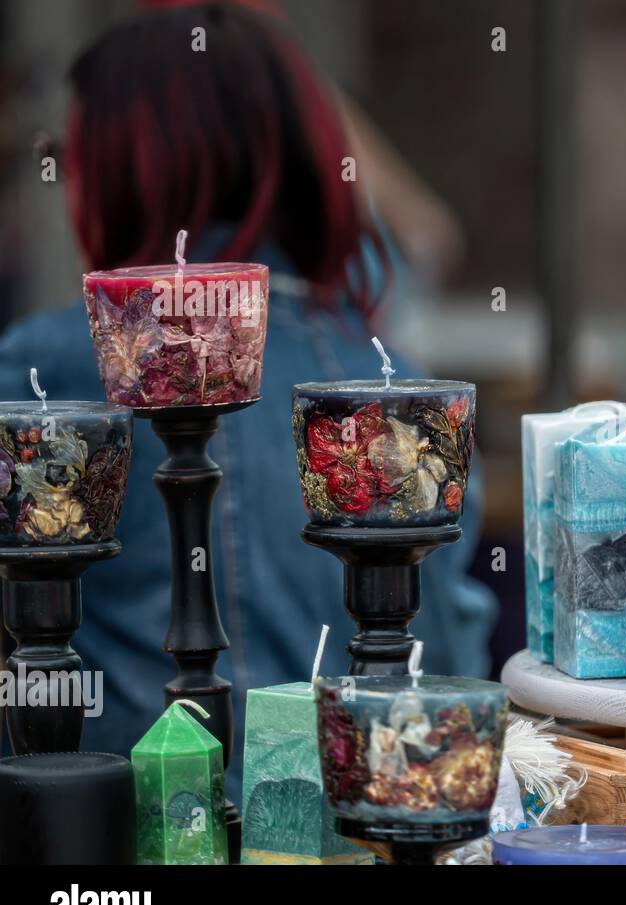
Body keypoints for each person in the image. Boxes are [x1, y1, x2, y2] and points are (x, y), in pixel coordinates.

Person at [0, 4, 496, 787]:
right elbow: (452, 673)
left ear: (122, 168)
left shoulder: (48, 367)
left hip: (132, 837)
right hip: (357, 826)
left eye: (66, 153)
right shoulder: (394, 378)